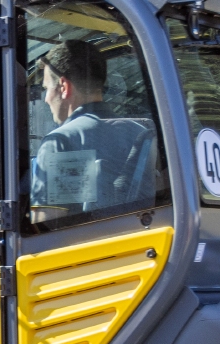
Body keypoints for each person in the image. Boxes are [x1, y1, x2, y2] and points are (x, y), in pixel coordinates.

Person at [30, 39, 155, 220]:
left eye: (47, 89)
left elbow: (46, 227)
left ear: (64, 88)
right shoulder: (140, 133)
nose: (46, 99)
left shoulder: (60, 142)